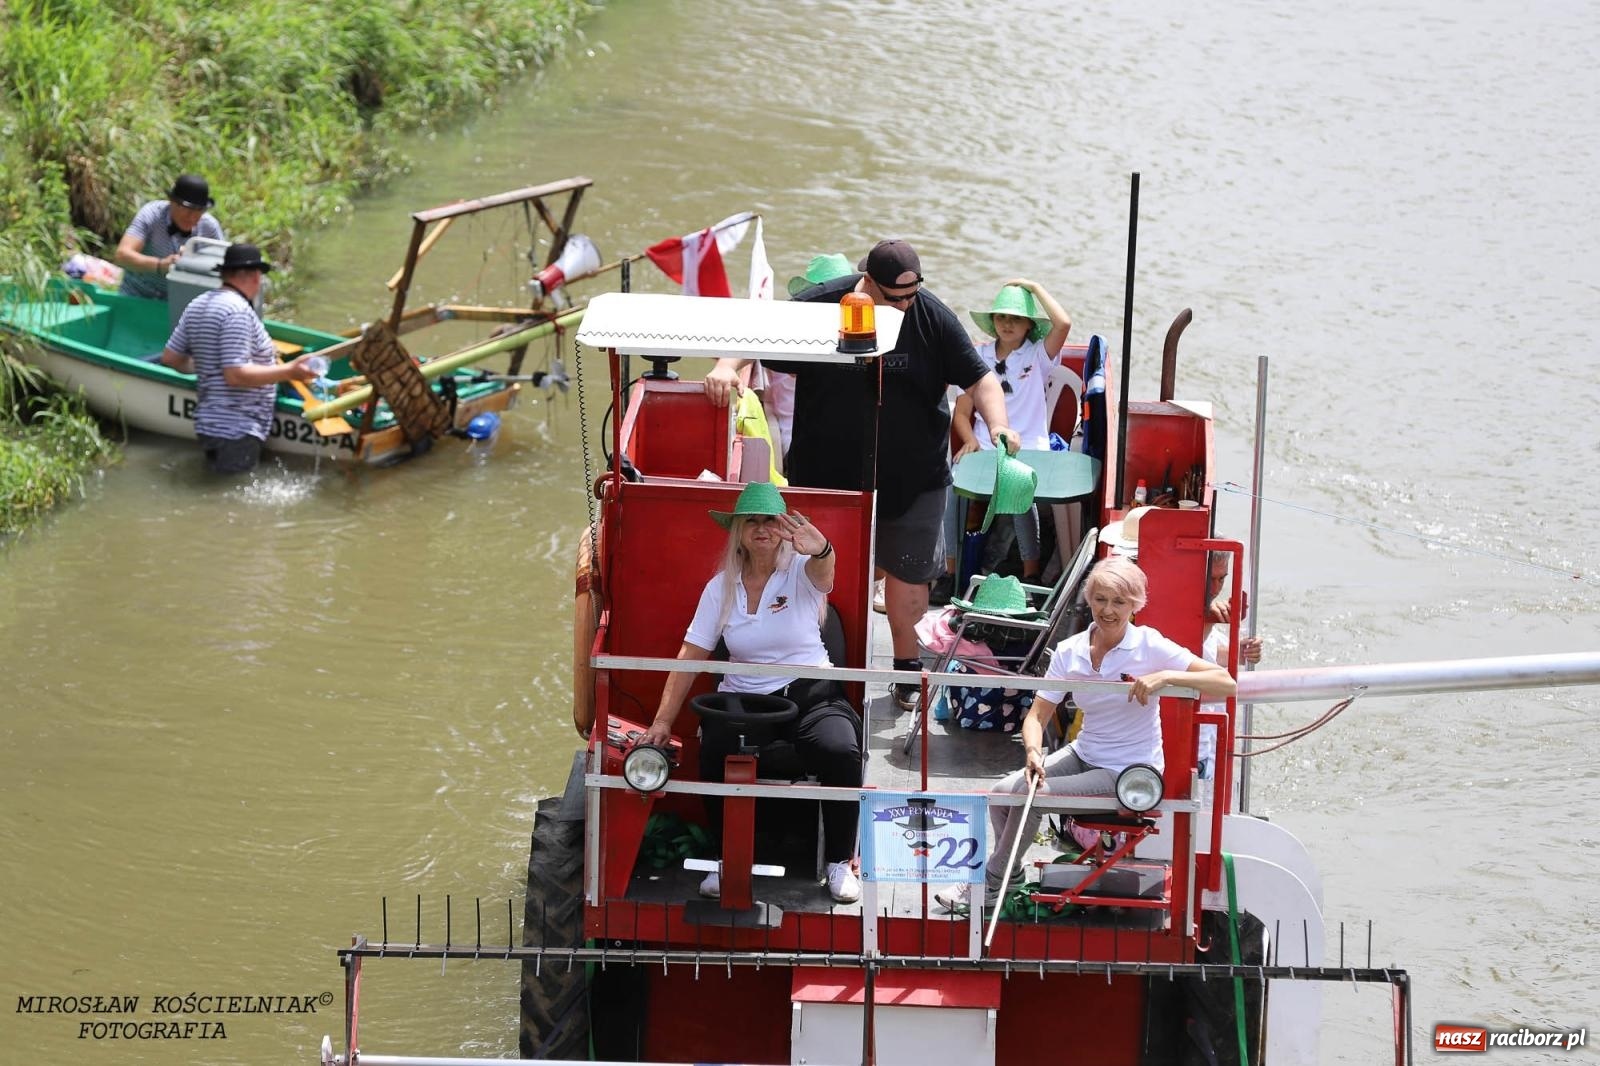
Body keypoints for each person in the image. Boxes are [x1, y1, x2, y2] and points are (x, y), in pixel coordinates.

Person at [702, 240, 1018, 710]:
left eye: (912, 295)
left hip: (915, 476)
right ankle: (822, 662)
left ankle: (907, 670)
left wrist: (998, 424)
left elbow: (981, 378)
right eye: (895, 298)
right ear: (867, 282)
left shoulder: (931, 317)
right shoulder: (821, 305)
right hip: (828, 477)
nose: (905, 306)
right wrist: (726, 366)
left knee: (910, 574)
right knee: (823, 571)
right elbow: (755, 337)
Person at [935, 556, 1236, 911]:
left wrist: (1165, 677)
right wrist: (1033, 751)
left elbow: (1225, 681)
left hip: (1127, 772)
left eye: (1119, 602)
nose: (1108, 610)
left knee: (1035, 796)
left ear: (1135, 605)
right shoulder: (1070, 651)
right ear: (1089, 599)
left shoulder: (1149, 645)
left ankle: (989, 883)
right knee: (1002, 793)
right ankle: (1011, 875)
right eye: (1101, 599)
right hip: (1085, 753)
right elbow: (1036, 716)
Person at [641, 481, 863, 904]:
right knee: (716, 747)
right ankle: (727, 860)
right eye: (752, 521)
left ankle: (838, 862)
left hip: (810, 691)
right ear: (739, 531)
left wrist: (822, 549)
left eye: (769, 521)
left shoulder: (802, 570)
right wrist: (662, 722)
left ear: (783, 529)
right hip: (744, 700)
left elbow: (825, 572)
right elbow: (691, 655)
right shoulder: (719, 587)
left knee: (840, 749)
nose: (761, 529)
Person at [943, 280, 1073, 594]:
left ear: (1030, 325)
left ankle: (1031, 574)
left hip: (1028, 449)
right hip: (985, 449)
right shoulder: (979, 356)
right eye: (1001, 317)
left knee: (1019, 488)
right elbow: (961, 413)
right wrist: (969, 440)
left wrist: (1035, 287)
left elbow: (1064, 323)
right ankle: (949, 572)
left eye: (1015, 318)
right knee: (950, 488)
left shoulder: (1038, 355)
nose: (1007, 324)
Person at [159, 243, 319, 474]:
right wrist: (289, 371)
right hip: (236, 428)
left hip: (209, 424)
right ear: (254, 276)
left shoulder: (198, 304)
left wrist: (209, 365)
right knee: (227, 497)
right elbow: (235, 375)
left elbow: (171, 358)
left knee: (218, 488)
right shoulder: (238, 312)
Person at [1199, 551, 1263, 787]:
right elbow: (1185, 655)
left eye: (1222, 580)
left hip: (1209, 743)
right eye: (1210, 579)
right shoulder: (1174, 612)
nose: (1216, 588)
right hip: (1187, 749)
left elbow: (1211, 652)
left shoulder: (1209, 614)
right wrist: (1208, 618)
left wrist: (1243, 652)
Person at [116, 174, 226, 301]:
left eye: (198, 212)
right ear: (172, 202)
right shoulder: (152, 215)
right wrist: (160, 265)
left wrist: (195, 262)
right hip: (136, 294)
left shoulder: (209, 227)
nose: (192, 218)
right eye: (188, 211)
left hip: (178, 301)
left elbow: (224, 270)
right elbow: (122, 256)